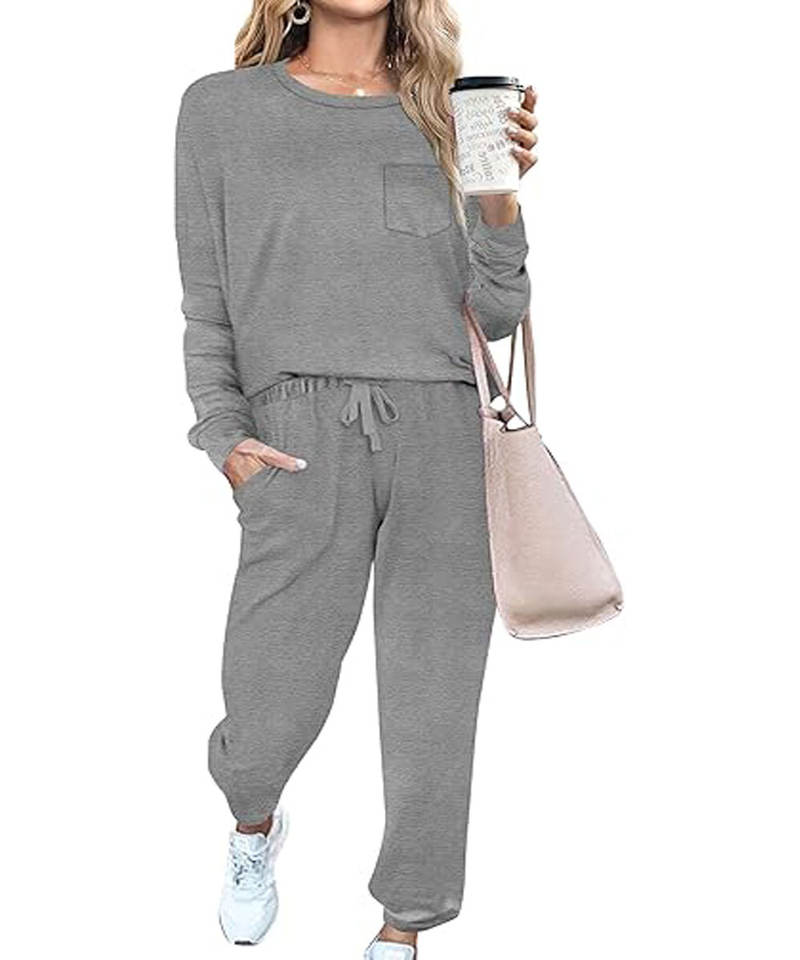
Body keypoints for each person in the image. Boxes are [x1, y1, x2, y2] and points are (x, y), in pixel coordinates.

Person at [174, 0, 537, 954]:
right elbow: (207, 300)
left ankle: (404, 925)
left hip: (444, 433)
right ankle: (252, 819)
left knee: (433, 702)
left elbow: (498, 312)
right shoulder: (221, 109)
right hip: (297, 437)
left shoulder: (448, 112)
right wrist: (225, 437)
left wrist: (500, 199)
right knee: (271, 700)